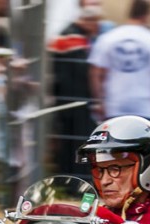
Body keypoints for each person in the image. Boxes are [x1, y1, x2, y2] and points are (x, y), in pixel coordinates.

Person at [87, 0, 150, 129]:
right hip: (146, 110)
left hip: (114, 108)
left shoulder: (107, 38)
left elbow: (95, 73)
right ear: (147, 15)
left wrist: (99, 102)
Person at [49, 5, 103, 176]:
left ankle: (68, 177)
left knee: (70, 142)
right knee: (77, 142)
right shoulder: (74, 37)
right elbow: (83, 72)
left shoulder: (69, 33)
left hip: (67, 99)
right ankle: (76, 178)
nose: (97, 28)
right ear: (88, 21)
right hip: (74, 101)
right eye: (96, 23)